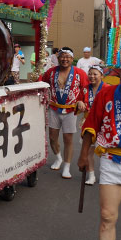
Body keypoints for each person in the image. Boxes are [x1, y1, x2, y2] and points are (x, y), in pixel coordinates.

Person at [79, 58, 121, 240]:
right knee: (107, 216)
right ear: (119, 72)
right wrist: (83, 155)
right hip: (111, 159)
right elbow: (92, 124)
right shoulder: (106, 95)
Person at [42, 47, 88, 178]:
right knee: (52, 137)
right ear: (58, 58)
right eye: (62, 56)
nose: (65, 59)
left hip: (71, 110)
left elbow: (85, 89)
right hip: (54, 108)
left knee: (68, 139)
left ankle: (66, 166)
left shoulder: (80, 73)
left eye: (68, 57)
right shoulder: (51, 72)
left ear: (72, 59)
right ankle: (58, 158)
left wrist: (81, 101)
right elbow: (42, 84)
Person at [82, 65, 110, 185]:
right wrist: (79, 102)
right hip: (89, 122)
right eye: (90, 74)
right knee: (88, 150)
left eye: (95, 74)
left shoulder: (108, 88)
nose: (92, 76)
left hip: (105, 124)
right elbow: (79, 99)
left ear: (102, 76)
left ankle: (107, 175)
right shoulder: (85, 88)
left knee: (105, 152)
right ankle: (91, 175)